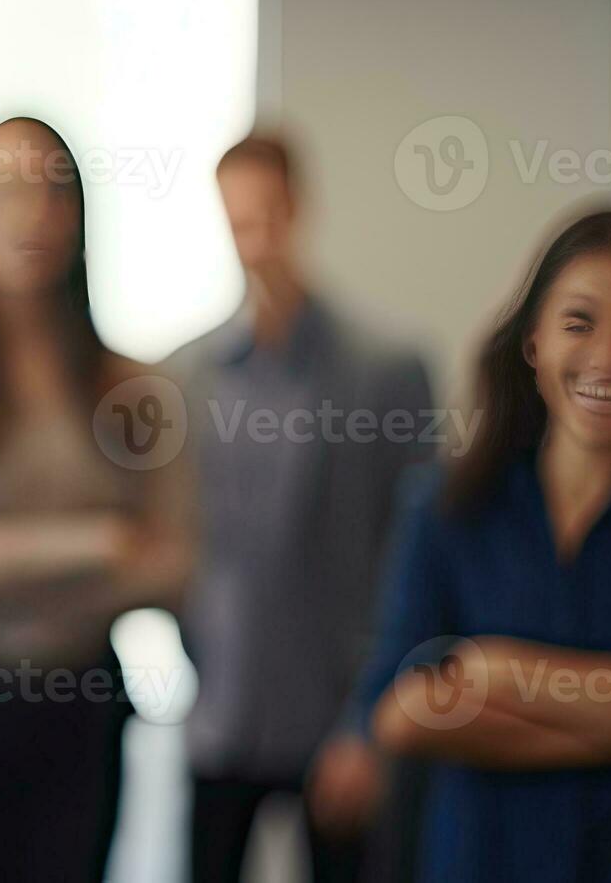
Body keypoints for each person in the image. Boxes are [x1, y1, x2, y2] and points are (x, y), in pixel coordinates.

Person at [350, 209, 611, 882]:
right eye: (578, 323)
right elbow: (397, 715)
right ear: (532, 342)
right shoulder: (443, 505)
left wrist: (492, 673)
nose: (607, 357)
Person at [0, 116, 193, 882]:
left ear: (78, 216)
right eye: (0, 191)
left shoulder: (134, 387)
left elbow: (174, 564)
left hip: (83, 698)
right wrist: (99, 544)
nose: (27, 215)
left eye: (49, 191)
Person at [165, 131, 433, 883]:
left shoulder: (385, 372)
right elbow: (178, 544)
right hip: (222, 712)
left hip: (337, 717)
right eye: (237, 220)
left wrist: (371, 724)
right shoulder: (188, 376)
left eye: (269, 215)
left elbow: (414, 560)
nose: (255, 240)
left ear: (300, 210)